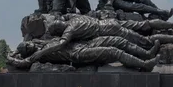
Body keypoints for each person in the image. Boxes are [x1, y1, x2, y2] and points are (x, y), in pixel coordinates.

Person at [8, 36, 159, 72]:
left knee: (116, 40)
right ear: (29, 51)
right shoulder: (39, 54)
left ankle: (146, 53)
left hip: (84, 44)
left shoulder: (44, 42)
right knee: (113, 52)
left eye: (28, 43)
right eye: (28, 46)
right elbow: (23, 63)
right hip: (79, 54)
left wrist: (15, 50)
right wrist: (10, 57)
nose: (30, 43)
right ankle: (144, 65)